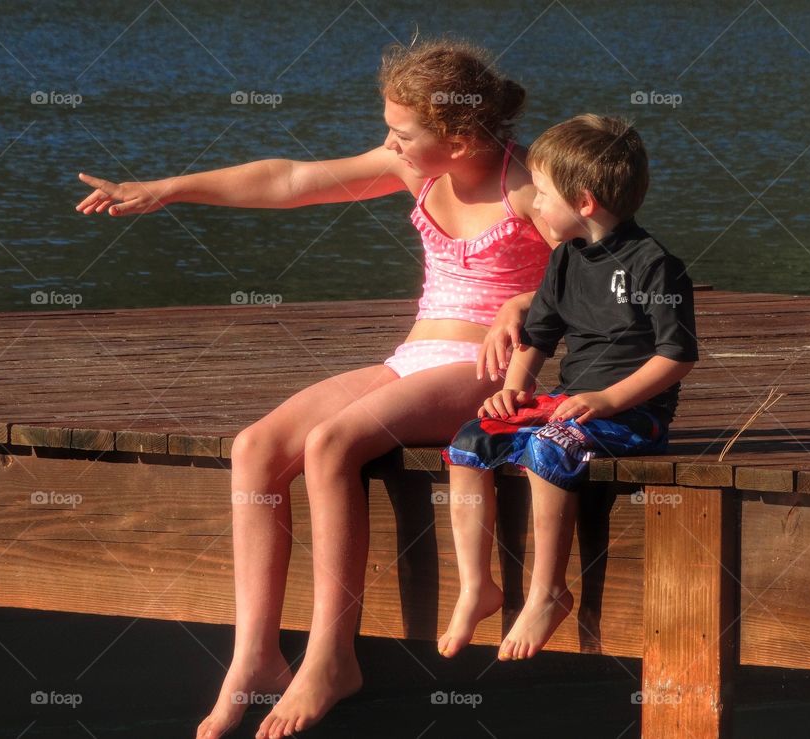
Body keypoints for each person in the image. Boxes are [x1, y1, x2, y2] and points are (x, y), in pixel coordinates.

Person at [75, 39, 555, 739]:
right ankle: (255, 657)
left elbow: (601, 262)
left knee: (333, 442)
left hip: (485, 371)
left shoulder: (526, 183)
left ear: (455, 136)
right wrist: (170, 188)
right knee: (257, 446)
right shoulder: (414, 169)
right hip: (414, 358)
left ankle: (332, 657)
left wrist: (528, 303)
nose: (389, 144)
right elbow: (291, 179)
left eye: (402, 134)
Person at [437, 114, 698, 661]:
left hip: (632, 416)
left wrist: (609, 400)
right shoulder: (564, 260)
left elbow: (677, 355)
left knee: (551, 446)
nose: (533, 205)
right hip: (570, 406)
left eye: (543, 194)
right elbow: (537, 336)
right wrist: (514, 389)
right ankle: (474, 586)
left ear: (583, 202)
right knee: (469, 441)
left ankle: (547, 591)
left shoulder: (655, 266)